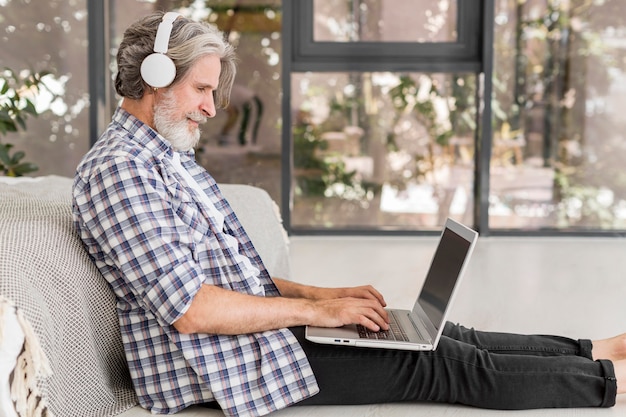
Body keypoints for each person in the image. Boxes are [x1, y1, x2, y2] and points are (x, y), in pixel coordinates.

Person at [72, 11, 626, 417]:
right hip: (227, 364)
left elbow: (235, 277)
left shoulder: (165, 158)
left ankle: (595, 351)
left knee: (437, 334)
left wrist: (325, 298)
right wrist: (318, 310)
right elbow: (192, 308)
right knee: (437, 364)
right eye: (201, 89)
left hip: (250, 338)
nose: (211, 108)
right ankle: (612, 382)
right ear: (155, 77)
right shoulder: (120, 172)